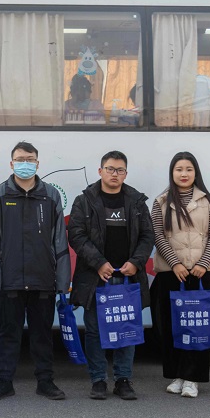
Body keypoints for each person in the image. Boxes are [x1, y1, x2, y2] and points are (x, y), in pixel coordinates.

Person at [0, 141, 70, 401]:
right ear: (11, 164)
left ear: (38, 163)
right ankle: (4, 382)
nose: (25, 164)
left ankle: (46, 381)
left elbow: (60, 241)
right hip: (9, 280)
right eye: (20, 159)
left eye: (30, 159)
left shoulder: (51, 195)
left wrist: (62, 281)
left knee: (42, 335)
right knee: (8, 334)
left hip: (43, 278)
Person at [67, 150, 154, 401]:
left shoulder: (136, 201)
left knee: (127, 330)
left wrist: (136, 263)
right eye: (110, 169)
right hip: (95, 277)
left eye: (120, 170)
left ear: (126, 173)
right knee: (94, 331)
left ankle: (123, 380)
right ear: (100, 171)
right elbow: (76, 235)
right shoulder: (84, 200)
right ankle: (98, 379)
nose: (114, 174)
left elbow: (148, 236)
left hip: (128, 277)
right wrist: (99, 263)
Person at [150, 152, 210, 398]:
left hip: (200, 272)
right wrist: (174, 264)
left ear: (196, 173)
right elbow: (157, 235)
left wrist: (203, 263)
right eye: (179, 169)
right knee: (172, 326)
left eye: (189, 169)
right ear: (172, 173)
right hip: (171, 273)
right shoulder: (160, 202)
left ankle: (193, 379)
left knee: (197, 326)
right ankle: (177, 375)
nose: (184, 174)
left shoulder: (207, 200)